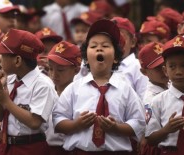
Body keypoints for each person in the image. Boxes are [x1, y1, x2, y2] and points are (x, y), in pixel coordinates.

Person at [52, 19, 146, 154]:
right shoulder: (74, 88)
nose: (99, 48)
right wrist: (76, 125)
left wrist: (116, 128)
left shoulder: (125, 89)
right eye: (94, 46)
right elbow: (57, 120)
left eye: (106, 46)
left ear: (115, 58)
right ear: (86, 58)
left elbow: (138, 122)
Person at [0, 28, 58, 155]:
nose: (0, 60)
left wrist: (6, 101)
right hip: (7, 145)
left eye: (4, 55)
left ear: (17, 60)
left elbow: (35, 122)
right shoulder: (11, 79)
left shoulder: (43, 84)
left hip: (31, 147)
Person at [46, 41, 81, 155]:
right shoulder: (46, 92)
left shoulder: (79, 95)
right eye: (50, 69)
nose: (54, 74)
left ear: (76, 70)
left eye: (60, 70)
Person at [138, 42, 168, 155]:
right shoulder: (150, 99)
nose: (164, 71)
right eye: (158, 68)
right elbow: (150, 136)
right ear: (144, 72)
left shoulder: (171, 86)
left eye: (166, 65)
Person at [111, 17, 148, 100]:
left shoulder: (137, 67)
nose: (116, 42)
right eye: (111, 38)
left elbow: (143, 99)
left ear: (133, 42)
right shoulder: (103, 65)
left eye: (121, 38)